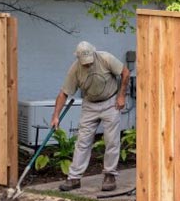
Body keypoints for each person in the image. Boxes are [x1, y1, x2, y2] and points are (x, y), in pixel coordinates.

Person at [52, 41, 130, 192]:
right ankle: (74, 178)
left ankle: (110, 175)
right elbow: (63, 94)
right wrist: (56, 116)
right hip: (90, 104)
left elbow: (125, 72)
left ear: (94, 53)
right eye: (84, 63)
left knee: (111, 140)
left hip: (110, 102)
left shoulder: (106, 58)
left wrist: (122, 96)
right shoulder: (75, 69)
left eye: (89, 62)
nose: (87, 65)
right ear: (78, 58)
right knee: (82, 141)